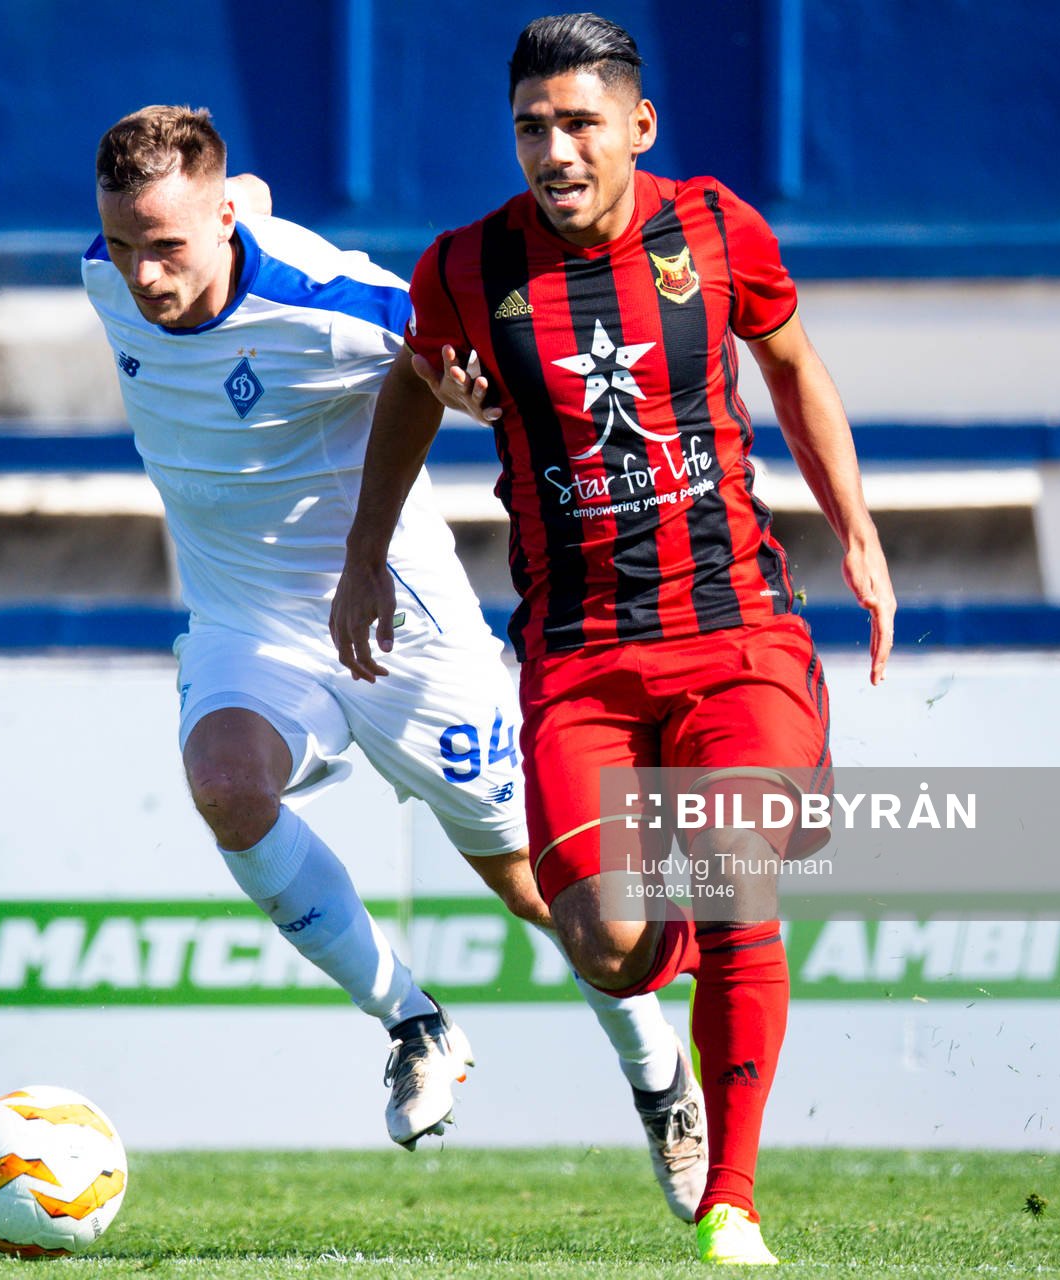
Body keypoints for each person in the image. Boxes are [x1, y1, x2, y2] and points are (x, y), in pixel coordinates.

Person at [330, 14, 896, 1265]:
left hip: (734, 625)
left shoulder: (715, 231)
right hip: (579, 654)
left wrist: (855, 525)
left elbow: (796, 367)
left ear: (639, 126)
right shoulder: (466, 268)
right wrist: (365, 554)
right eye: (532, 125)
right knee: (609, 946)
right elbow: (414, 386)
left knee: (731, 859)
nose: (555, 148)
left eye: (579, 122)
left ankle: (732, 1200)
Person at [82, 105, 707, 1214]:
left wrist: (473, 384)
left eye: (166, 246)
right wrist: (192, 226)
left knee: (541, 887)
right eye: (124, 244)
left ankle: (657, 1073)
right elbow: (241, 202)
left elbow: (443, 338)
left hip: (399, 623)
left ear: (219, 218)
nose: (141, 273)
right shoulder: (112, 267)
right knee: (227, 784)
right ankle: (414, 1020)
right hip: (245, 627)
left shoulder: (329, 305)